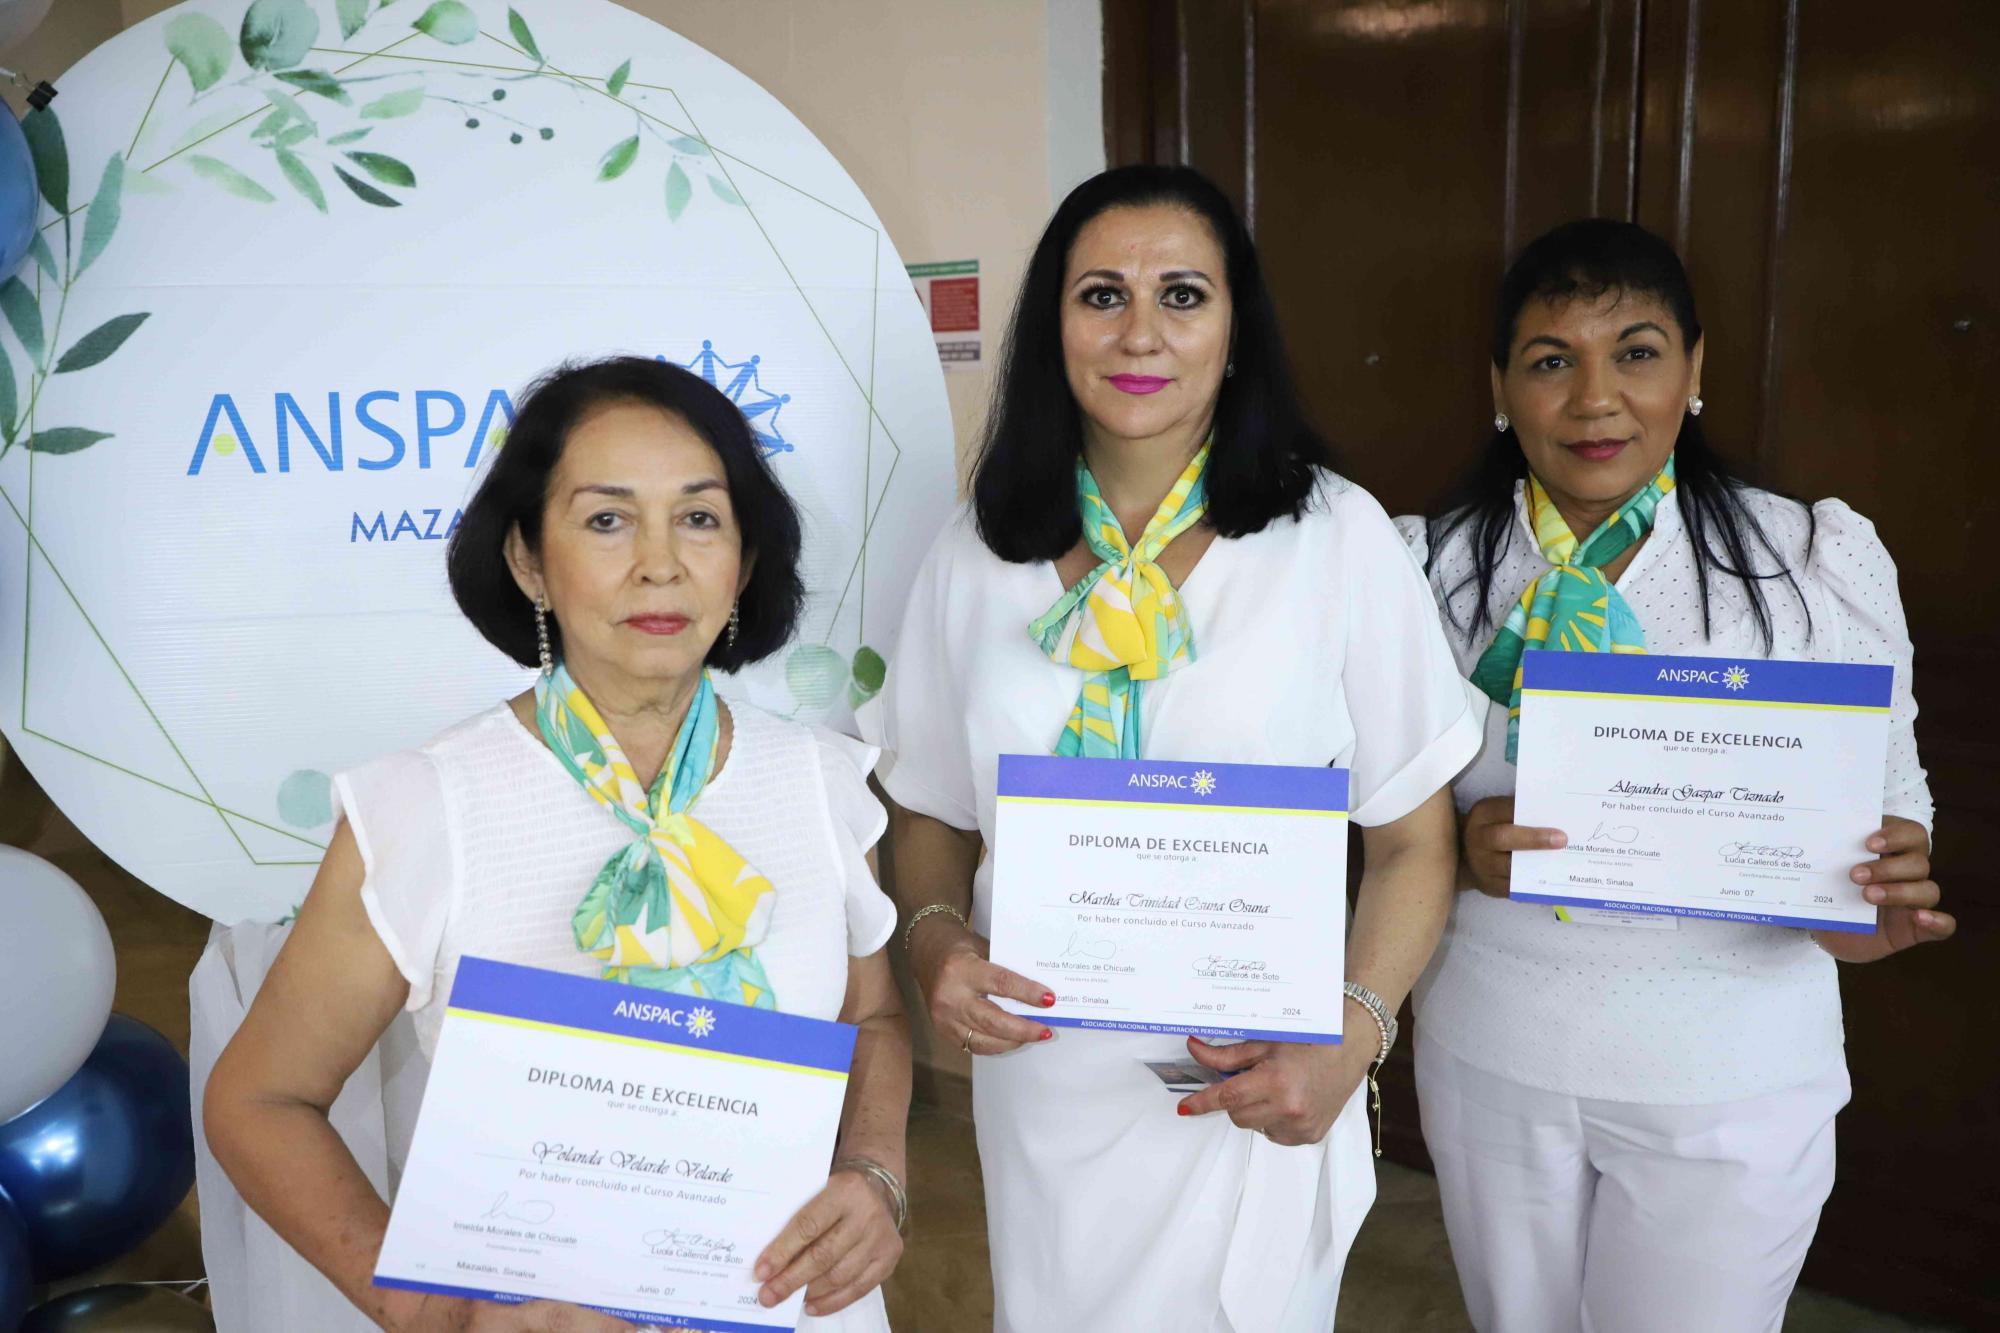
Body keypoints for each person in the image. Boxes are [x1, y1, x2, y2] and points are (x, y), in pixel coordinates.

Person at [868, 164, 1481, 1332]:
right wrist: (939, 944)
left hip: (1259, 1070)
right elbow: (930, 812)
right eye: (1100, 294)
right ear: (1052, 328)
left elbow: (1412, 840)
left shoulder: (1334, 538)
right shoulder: (972, 553)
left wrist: (1349, 1042)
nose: (1139, 331)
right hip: (1045, 1079)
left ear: (1236, 327)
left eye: (1182, 295)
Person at [203, 356, 911, 1333]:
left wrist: (875, 1174)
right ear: (529, 559)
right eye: (607, 519)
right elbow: (259, 1099)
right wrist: (424, 1309)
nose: (659, 563)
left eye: (699, 517)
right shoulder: (429, 803)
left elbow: (869, 1019)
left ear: (744, 559)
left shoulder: (820, 780)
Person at [1402, 219, 1956, 1333]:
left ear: (1694, 371)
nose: (1594, 398)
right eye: (1551, 360)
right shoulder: (1424, 568)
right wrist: (1456, 849)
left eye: (1637, 352)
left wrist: (1876, 895)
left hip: (1729, 1071)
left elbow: (1884, 839)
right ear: (1501, 388)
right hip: (1491, 1054)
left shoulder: (1808, 563)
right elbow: (1375, 831)